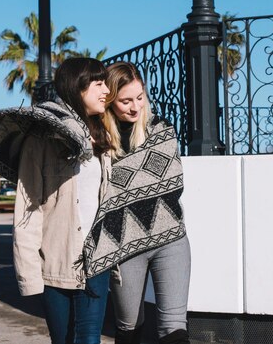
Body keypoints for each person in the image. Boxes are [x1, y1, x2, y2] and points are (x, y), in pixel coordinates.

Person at [81, 61, 191, 344]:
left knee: (175, 328)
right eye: (126, 101)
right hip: (124, 244)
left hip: (170, 238)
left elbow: (174, 183)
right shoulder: (98, 141)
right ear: (110, 102)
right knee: (129, 327)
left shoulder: (161, 130)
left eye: (140, 98)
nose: (135, 107)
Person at [13, 57, 112, 344]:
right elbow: (28, 209)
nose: (106, 90)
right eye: (98, 84)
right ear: (77, 88)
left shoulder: (103, 137)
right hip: (54, 265)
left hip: (96, 261)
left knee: (90, 339)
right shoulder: (41, 139)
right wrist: (29, 274)